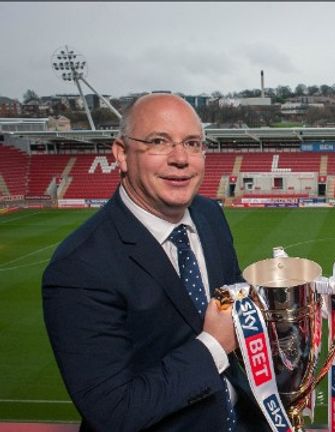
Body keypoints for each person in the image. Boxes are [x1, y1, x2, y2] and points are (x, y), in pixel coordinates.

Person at [42, 94, 267, 431]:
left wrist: (319, 300)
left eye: (193, 143)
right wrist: (212, 346)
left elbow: (232, 300)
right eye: (158, 142)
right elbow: (114, 411)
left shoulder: (210, 215)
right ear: (121, 154)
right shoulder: (78, 267)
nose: (180, 159)